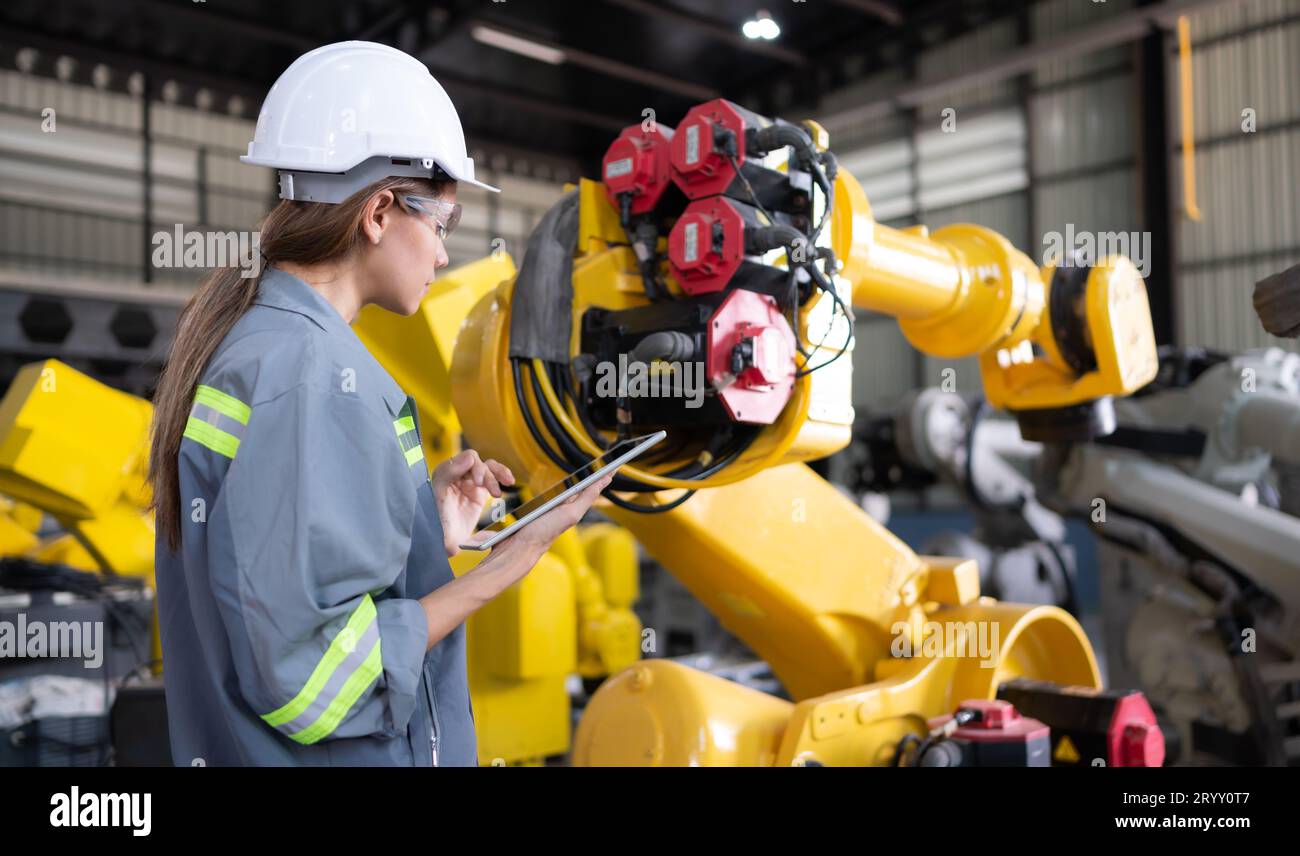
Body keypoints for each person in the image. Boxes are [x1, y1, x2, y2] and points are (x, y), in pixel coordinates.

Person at [147, 41, 609, 766]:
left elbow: (269, 572)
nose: (444, 255)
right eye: (442, 225)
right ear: (379, 212)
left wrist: (419, 526)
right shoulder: (309, 371)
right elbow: (311, 685)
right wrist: (506, 566)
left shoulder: (267, 345)